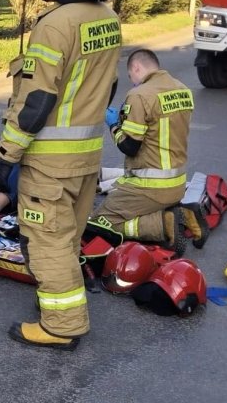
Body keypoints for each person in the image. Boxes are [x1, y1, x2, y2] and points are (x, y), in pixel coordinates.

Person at [0, 0, 123, 351]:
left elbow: (36, 102)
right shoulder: (107, 17)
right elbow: (106, 88)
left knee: (46, 241)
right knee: (66, 238)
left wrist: (7, 154)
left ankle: (61, 326)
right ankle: (59, 308)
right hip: (86, 158)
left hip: (50, 161)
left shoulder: (56, 24)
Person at [87, 49, 207, 254]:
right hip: (177, 184)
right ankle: (183, 214)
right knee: (125, 210)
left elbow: (130, 147)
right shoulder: (182, 89)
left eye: (131, 75)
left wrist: (114, 125)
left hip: (148, 188)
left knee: (99, 224)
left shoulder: (139, 95)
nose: (132, 80)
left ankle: (163, 224)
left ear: (136, 68)